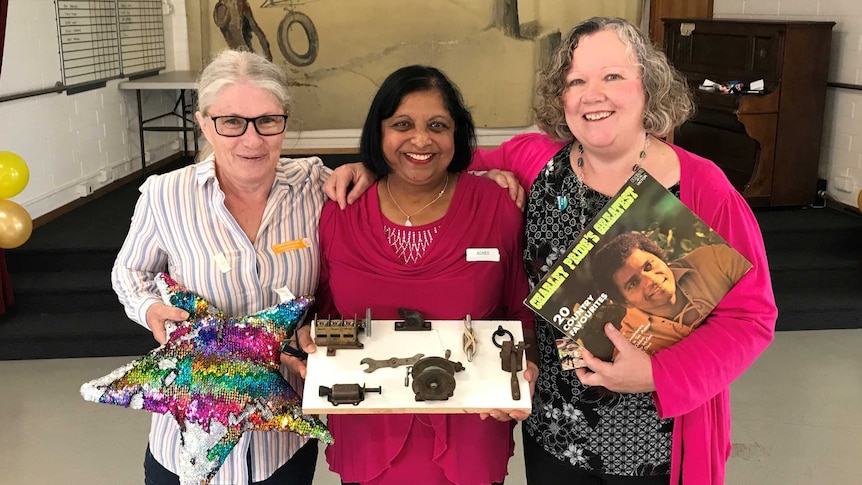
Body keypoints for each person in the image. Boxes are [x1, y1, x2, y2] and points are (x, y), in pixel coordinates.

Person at [325, 17, 777, 485]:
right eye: (576, 80)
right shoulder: (538, 159)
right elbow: (436, 157)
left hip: (655, 443)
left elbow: (752, 318)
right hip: (553, 436)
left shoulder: (702, 189)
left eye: (613, 76)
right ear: (562, 98)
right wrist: (371, 165)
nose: (593, 94)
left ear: (649, 87)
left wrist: (658, 373)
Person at [312, 65, 538, 485]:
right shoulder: (341, 210)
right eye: (402, 124)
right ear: (379, 133)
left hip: (472, 428)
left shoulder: (496, 206)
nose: (420, 139)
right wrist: (308, 336)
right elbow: (321, 305)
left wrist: (528, 366)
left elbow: (519, 306)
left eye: (438, 125)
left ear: (457, 135)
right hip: (368, 425)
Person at [111, 49, 327, 485]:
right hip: (188, 439)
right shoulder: (166, 195)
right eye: (231, 122)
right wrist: (151, 310)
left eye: (268, 120)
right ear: (205, 122)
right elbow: (129, 272)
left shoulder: (317, 187)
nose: (252, 140)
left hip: (281, 439)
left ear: (284, 119)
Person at [590, 231, 753, 353]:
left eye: (648, 266)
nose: (651, 280)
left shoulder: (715, 259)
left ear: (660, 257)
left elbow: (759, 298)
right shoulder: (629, 344)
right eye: (633, 283)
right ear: (625, 301)